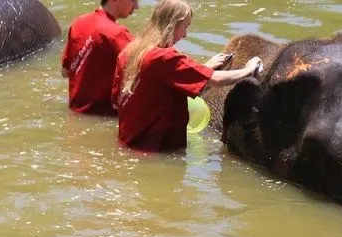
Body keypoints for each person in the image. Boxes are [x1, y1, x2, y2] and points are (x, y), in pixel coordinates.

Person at [111, 0, 263, 152]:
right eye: (185, 27)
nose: (185, 34)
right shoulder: (166, 58)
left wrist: (203, 69)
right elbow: (215, 79)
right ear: (173, 25)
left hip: (128, 143)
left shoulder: (129, 51)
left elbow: (117, 101)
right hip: (157, 149)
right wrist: (247, 70)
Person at [61, 0, 139, 116]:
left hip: (75, 114)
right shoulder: (118, 34)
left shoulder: (78, 23)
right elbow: (146, 69)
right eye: (134, 0)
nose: (137, 6)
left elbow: (65, 72)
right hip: (106, 117)